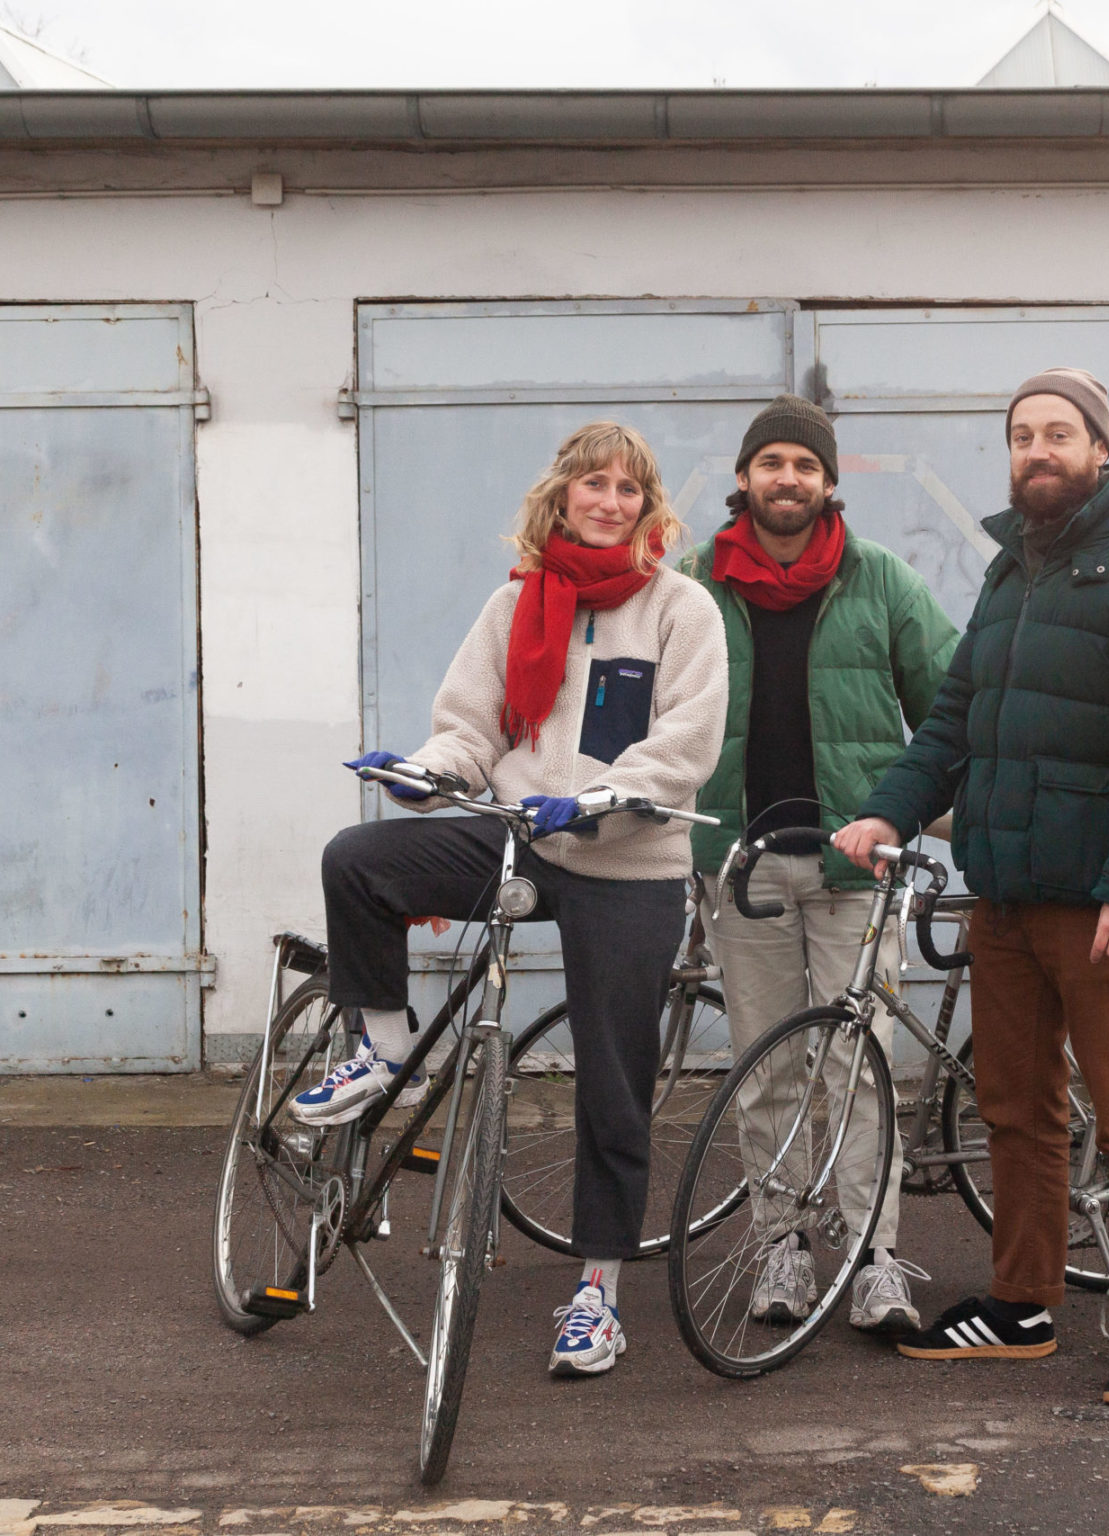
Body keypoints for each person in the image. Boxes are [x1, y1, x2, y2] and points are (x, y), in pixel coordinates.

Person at [291, 421, 728, 1379]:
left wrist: (607, 792)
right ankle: (384, 1043)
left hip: (629, 858)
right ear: (562, 496)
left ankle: (598, 1294)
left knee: (615, 1082)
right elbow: (470, 734)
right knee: (359, 859)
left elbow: (689, 743)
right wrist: (419, 772)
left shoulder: (681, 610)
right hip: (519, 834)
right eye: (593, 485)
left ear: (648, 507)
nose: (609, 502)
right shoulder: (517, 605)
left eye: (628, 488)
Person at [834, 368, 1109, 1406]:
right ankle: (1021, 1306)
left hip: (1100, 900)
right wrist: (889, 807)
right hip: (1007, 895)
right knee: (1015, 1108)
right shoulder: (1013, 572)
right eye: (1021, 435)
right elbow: (955, 721)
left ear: (1100, 448)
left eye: (1058, 432)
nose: (1037, 450)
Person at [679, 395, 959, 1334]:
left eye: (805, 464)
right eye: (772, 463)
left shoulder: (884, 584)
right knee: (768, 1071)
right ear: (746, 478)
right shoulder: (694, 588)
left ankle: (877, 1257)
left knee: (861, 1063)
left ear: (829, 482)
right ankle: (781, 1250)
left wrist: (933, 816)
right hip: (741, 867)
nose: (788, 478)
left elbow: (950, 711)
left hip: (856, 876)